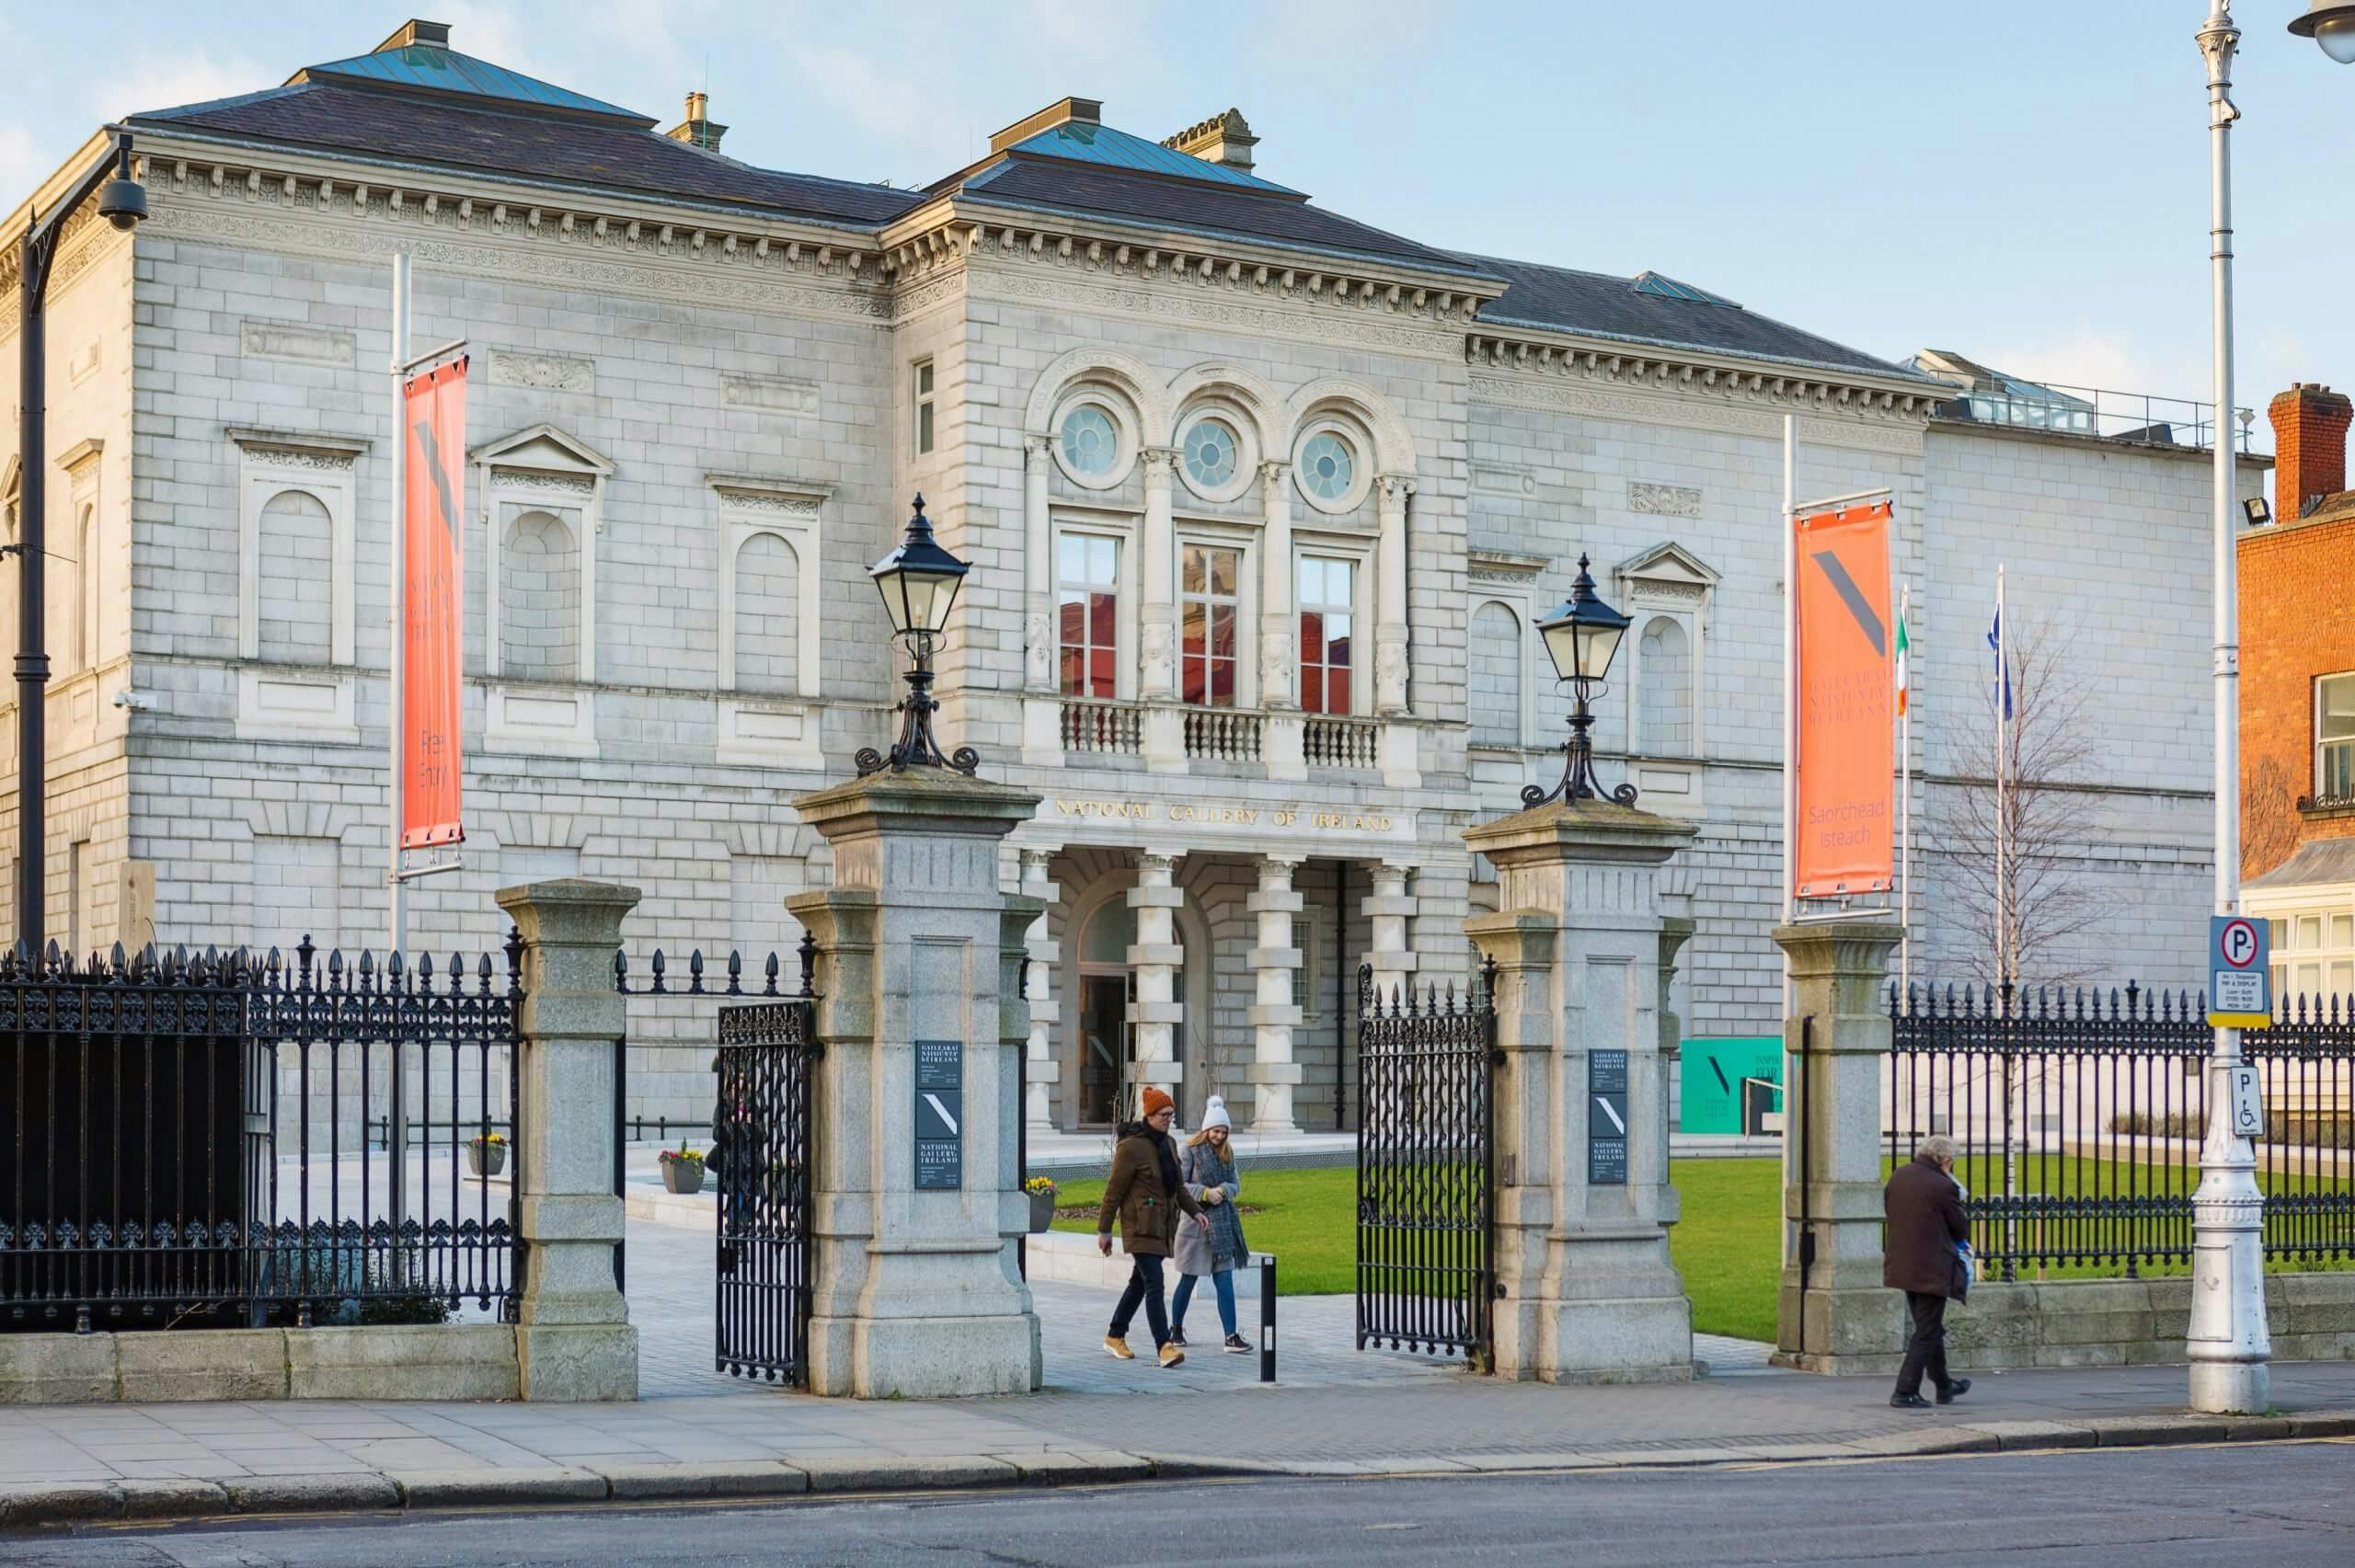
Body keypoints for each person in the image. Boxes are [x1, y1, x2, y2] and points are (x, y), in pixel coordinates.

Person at [1097, 1086, 1208, 1368]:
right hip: (1139, 1227)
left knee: (1139, 1283)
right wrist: (1105, 1230)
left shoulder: (1169, 1144)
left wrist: (1196, 1212)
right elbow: (1114, 1191)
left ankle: (1115, 1334)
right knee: (1154, 1284)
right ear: (1149, 1115)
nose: (1169, 1119)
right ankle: (1164, 1346)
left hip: (1162, 1227)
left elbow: (1178, 1188)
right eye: (1164, 1115)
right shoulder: (1131, 1147)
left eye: (1171, 1114)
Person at [1883, 1134, 1973, 1410]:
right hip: (1932, 1266)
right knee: (1927, 1330)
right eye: (1952, 1162)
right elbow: (1960, 1228)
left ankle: (1944, 1385)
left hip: (1903, 1262)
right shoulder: (1943, 1185)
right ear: (1944, 1160)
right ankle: (1904, 1391)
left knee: (1929, 1326)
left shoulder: (1899, 1176)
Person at [1171, 1095, 1251, 1353]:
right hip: (1196, 1225)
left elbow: (1236, 1185)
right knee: (1188, 1280)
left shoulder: (1228, 1153)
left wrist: (1224, 1190)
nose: (1219, 1136)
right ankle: (1175, 1329)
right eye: (1216, 1131)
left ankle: (1231, 1336)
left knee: (1224, 1282)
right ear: (1206, 1129)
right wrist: (1205, 1193)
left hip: (1222, 1228)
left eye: (1224, 1132)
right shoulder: (1188, 1151)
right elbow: (1179, 1186)